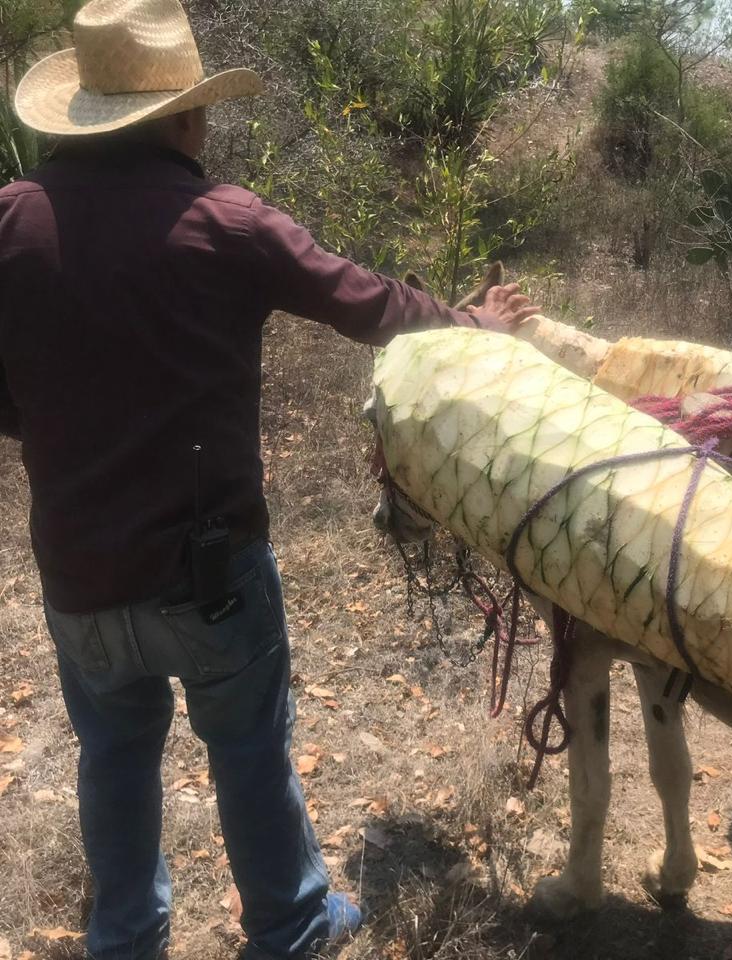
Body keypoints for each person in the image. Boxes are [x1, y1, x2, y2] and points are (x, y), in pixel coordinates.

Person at [0, 2, 538, 958]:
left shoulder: (12, 223)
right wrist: (476, 324)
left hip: (79, 574)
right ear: (184, 118)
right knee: (248, 750)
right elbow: (371, 306)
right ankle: (289, 925)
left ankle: (124, 939)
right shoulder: (224, 220)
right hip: (209, 572)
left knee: (114, 754)